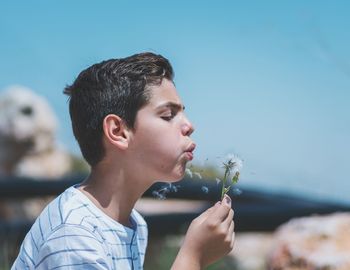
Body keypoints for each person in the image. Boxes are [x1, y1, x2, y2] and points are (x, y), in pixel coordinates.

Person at [11, 52, 235, 269]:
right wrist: (193, 256)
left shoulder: (133, 224)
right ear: (118, 131)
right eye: (168, 115)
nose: (189, 126)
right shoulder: (74, 235)